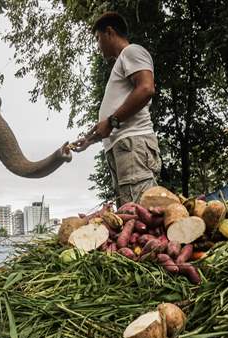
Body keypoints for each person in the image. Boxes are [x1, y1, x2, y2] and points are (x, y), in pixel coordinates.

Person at [71, 11, 161, 207]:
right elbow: (116, 115)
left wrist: (111, 121)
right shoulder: (121, 62)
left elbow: (146, 88)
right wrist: (90, 139)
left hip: (133, 145)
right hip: (122, 148)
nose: (97, 46)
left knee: (139, 213)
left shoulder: (132, 51)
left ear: (109, 32)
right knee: (128, 216)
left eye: (97, 39)